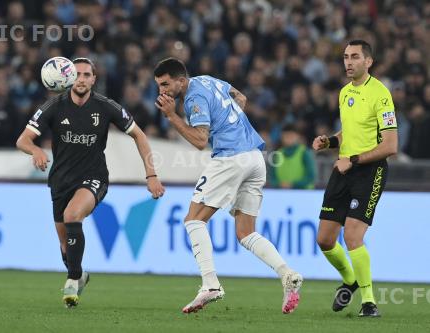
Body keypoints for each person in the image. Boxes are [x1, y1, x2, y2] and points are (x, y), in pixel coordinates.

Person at [153, 57, 303, 314]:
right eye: (158, 86)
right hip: (256, 158)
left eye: (166, 84)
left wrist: (172, 116)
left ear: (181, 80)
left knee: (193, 220)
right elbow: (240, 97)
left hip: (231, 158)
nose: (162, 91)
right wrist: (228, 121)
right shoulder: (208, 80)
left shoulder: (192, 98)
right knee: (246, 233)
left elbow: (200, 140)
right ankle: (287, 274)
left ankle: (210, 284)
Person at [16, 57, 165, 308]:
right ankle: (79, 273)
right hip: (60, 181)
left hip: (94, 177)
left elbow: (139, 135)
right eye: (78, 74)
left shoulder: (106, 107)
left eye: (87, 75)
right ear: (69, 77)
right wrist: (36, 151)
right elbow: (23, 140)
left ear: (94, 79)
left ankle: (72, 280)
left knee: (73, 215)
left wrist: (151, 175)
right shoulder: (53, 106)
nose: (82, 79)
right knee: (65, 245)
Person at [312, 40, 398, 317]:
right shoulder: (344, 92)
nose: (348, 62)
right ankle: (350, 280)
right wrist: (330, 141)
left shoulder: (381, 94)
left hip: (369, 172)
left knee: (352, 236)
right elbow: (349, 131)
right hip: (344, 168)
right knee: (325, 240)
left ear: (368, 62)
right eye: (346, 57)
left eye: (355, 57)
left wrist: (355, 160)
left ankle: (369, 303)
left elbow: (390, 145)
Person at [270, 123, 316, 189]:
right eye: (286, 136)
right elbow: (272, 177)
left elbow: (311, 177)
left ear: (297, 136)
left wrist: (293, 185)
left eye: (291, 136)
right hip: (282, 194)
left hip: (303, 194)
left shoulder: (305, 153)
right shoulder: (277, 154)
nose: (288, 139)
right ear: (281, 137)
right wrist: (279, 184)